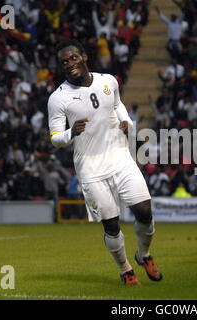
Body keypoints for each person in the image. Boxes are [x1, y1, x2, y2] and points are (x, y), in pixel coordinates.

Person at [47, 39, 162, 285]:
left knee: (144, 210)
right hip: (90, 168)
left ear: (84, 57)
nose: (69, 64)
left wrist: (127, 123)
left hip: (120, 158)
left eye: (73, 58)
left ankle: (144, 254)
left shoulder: (108, 81)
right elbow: (55, 138)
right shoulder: (57, 99)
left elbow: (118, 106)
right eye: (64, 62)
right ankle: (125, 270)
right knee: (111, 224)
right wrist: (70, 133)